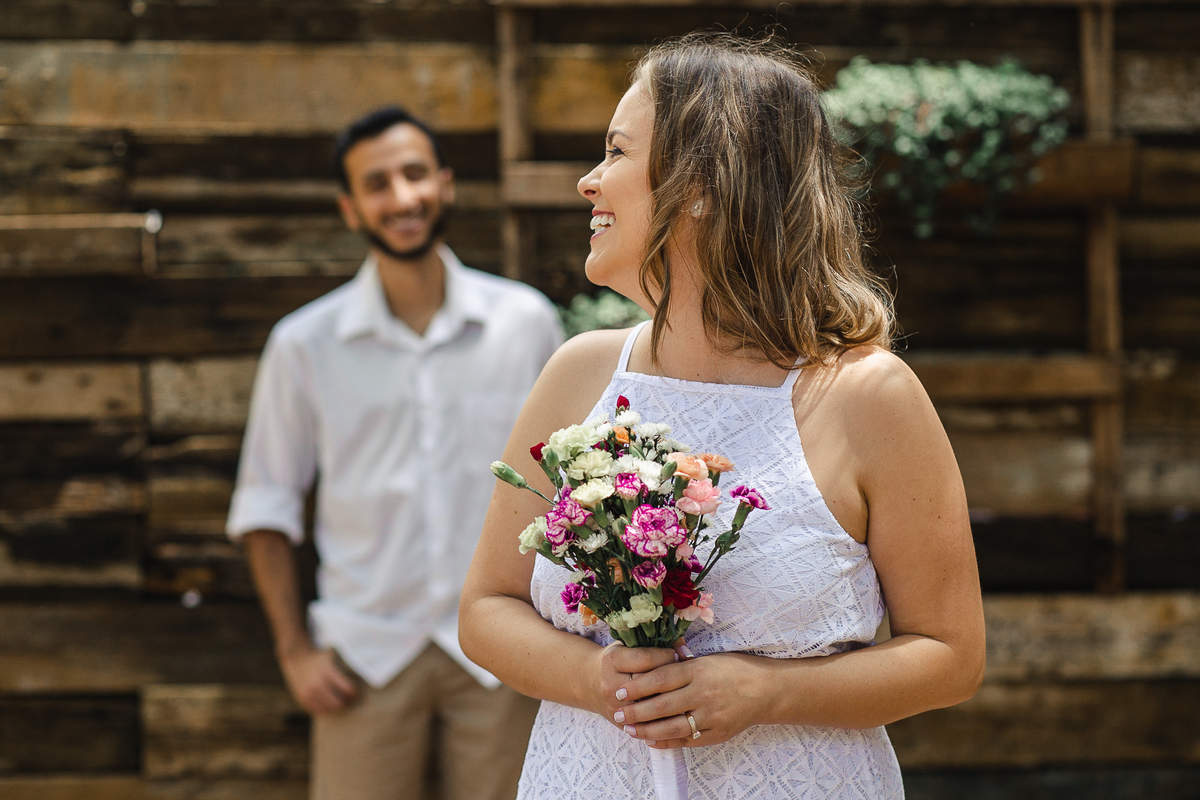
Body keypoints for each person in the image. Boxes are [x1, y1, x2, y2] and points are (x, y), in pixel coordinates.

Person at [458, 35, 986, 799]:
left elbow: (950, 653)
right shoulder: (580, 373)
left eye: (615, 152)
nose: (588, 181)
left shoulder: (869, 397)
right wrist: (599, 675)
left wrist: (770, 693)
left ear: (701, 184)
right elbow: (485, 609)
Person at [227, 106, 563, 800]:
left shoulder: (524, 322)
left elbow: (559, 488)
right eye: (377, 184)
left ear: (445, 183)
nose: (402, 197)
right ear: (351, 209)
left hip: (500, 654)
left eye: (414, 175)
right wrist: (294, 651)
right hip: (363, 657)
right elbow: (267, 503)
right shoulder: (304, 344)